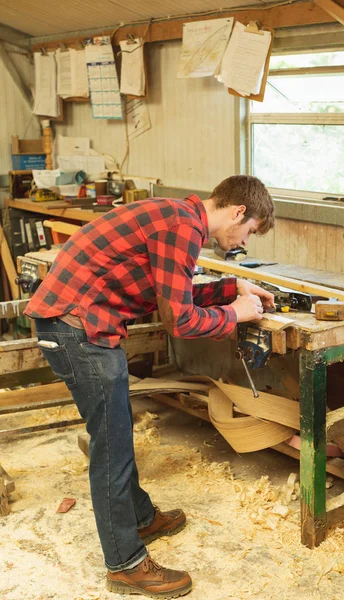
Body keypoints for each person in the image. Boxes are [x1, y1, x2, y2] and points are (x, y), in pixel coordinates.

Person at [25, 174, 275, 598]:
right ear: (237, 212)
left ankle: (140, 517)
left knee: (116, 432)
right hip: (79, 331)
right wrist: (237, 313)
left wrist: (233, 288)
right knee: (112, 447)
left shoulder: (177, 216)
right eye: (249, 230)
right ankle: (124, 563)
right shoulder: (183, 229)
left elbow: (172, 292)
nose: (244, 241)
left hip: (77, 324)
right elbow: (182, 320)